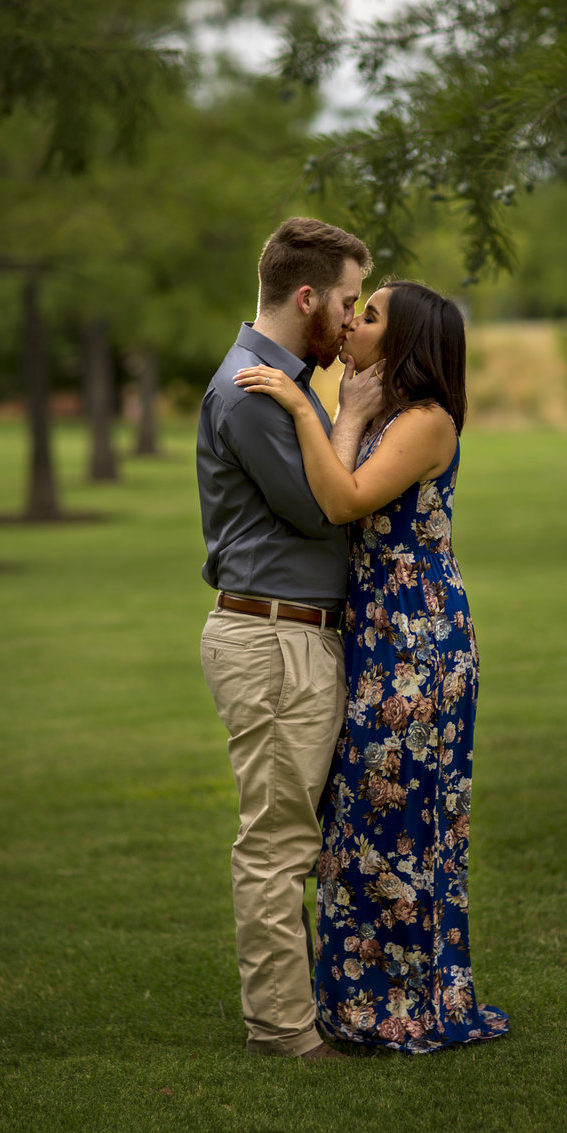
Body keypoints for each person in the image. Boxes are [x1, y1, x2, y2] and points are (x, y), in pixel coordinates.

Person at [234, 279, 509, 1052]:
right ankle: (361, 1000)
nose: (351, 321)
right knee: (357, 822)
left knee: (405, 821)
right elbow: (336, 487)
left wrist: (301, 407)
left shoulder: (426, 423)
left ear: (407, 341)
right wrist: (348, 412)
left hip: (419, 644)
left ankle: (411, 1004)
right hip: (379, 632)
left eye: (371, 314)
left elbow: (343, 500)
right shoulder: (385, 416)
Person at [197, 216, 382, 1062]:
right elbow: (325, 504)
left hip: (293, 636)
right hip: (274, 640)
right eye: (346, 302)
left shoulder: (279, 381)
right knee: (277, 844)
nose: (350, 322)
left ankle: (304, 1009)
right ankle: (282, 1031)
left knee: (293, 837)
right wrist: (347, 416)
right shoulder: (253, 388)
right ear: (306, 296)